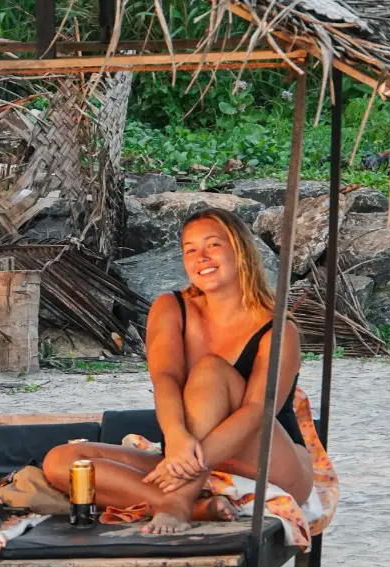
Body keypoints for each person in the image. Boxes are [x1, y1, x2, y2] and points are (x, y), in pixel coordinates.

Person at [42, 208, 314, 535]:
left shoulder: (279, 328)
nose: (201, 257)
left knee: (210, 371)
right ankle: (190, 505)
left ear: (240, 250)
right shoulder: (171, 307)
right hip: (191, 454)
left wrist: (182, 468)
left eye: (213, 245)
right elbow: (165, 378)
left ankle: (177, 502)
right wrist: (176, 439)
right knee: (63, 461)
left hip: (268, 461)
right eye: (190, 250)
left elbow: (257, 410)